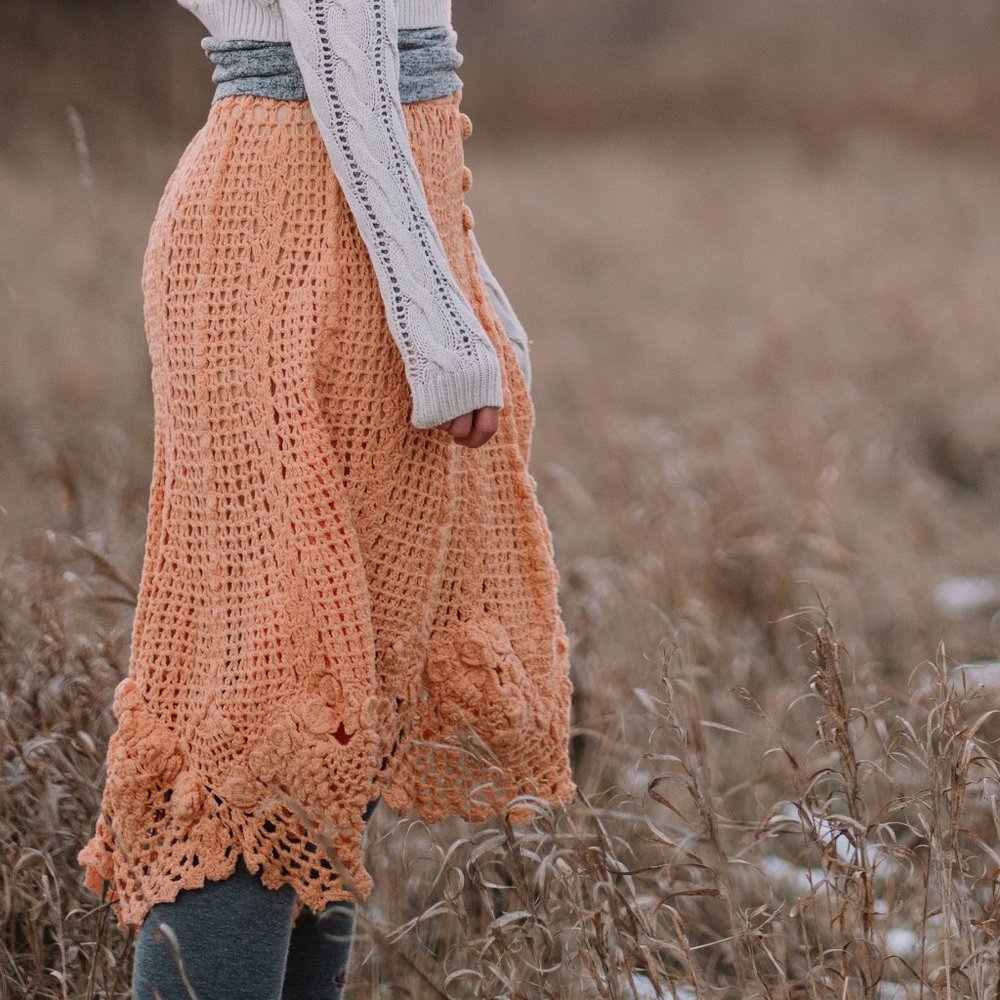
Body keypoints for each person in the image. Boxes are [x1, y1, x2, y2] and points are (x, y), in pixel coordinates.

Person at [76, 0, 577, 996]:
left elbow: (384, 69)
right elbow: (346, 59)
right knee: (264, 728)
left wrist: (473, 300)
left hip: (336, 248)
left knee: (340, 729)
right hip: (292, 259)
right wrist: (445, 332)